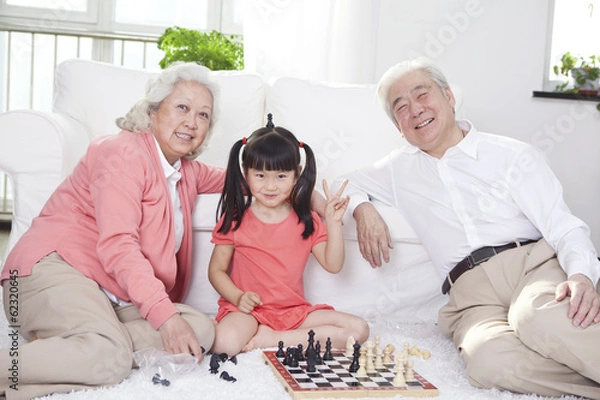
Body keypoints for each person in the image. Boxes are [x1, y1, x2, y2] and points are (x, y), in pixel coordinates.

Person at [334, 58, 600, 397]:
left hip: (531, 267)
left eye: (422, 95)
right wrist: (362, 208)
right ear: (399, 128)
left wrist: (580, 275)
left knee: (536, 317)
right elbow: (337, 183)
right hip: (471, 296)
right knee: (489, 362)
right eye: (401, 107)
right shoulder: (398, 170)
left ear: (448, 96)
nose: (415, 110)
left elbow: (564, 225)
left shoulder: (511, 155)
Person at [0, 62, 225, 399]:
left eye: (203, 115)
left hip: (111, 293)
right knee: (113, 358)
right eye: (182, 107)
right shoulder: (120, 153)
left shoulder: (186, 170)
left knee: (200, 329)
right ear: (152, 110)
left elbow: (245, 177)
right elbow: (119, 246)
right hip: (50, 270)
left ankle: (74, 346)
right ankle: (90, 349)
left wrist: (306, 190)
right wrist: (164, 319)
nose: (192, 122)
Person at [208, 116, 369, 356]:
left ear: (297, 174)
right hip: (248, 311)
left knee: (358, 330)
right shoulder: (235, 219)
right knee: (225, 345)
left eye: (281, 176)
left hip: (293, 312)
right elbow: (216, 270)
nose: (270, 186)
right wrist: (238, 297)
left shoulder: (307, 220)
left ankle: (273, 338)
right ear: (245, 173)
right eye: (260, 176)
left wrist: (334, 224)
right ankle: (262, 332)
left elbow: (333, 265)